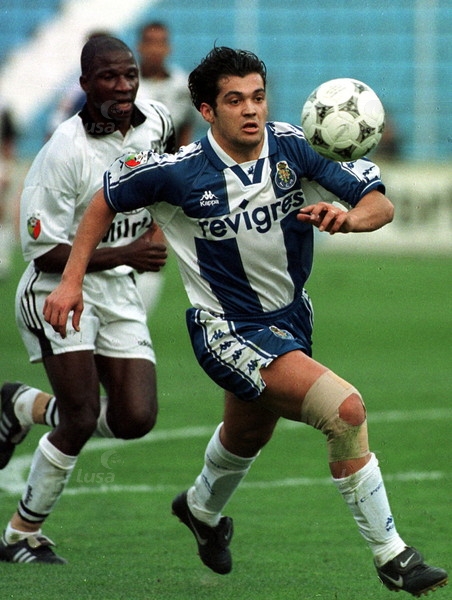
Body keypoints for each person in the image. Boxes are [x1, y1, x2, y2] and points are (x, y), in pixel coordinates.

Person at [42, 47, 448, 596]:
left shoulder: (295, 146)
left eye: (258, 97)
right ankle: (392, 554)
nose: (251, 110)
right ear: (208, 111)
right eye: (235, 101)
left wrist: (349, 218)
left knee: (247, 433)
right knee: (345, 411)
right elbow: (104, 201)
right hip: (226, 330)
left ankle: (199, 510)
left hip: (290, 319)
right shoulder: (179, 172)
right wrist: (71, 281)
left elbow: (380, 203)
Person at [0, 35, 175, 564]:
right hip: (57, 290)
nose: (122, 87)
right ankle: (21, 534)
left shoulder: (157, 121)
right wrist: (127, 252)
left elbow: (167, 170)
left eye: (129, 76)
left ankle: (19, 406)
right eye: (108, 77)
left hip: (117, 288)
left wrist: (158, 226)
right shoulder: (63, 152)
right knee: (79, 417)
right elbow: (42, 253)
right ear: (85, 84)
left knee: (136, 417)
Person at [136, 22, 198, 148]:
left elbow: (186, 126)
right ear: (139, 46)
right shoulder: (126, 84)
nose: (155, 49)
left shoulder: (181, 85)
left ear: (169, 48)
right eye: (150, 42)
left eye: (161, 43)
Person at [0, 99, 18, 279]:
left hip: (2, 165)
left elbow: (9, 142)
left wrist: (7, 167)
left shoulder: (4, 108)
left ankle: (2, 259)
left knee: (3, 212)